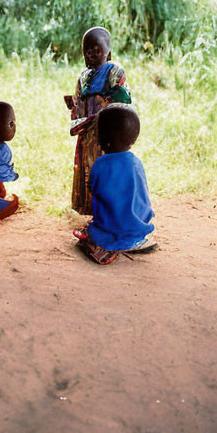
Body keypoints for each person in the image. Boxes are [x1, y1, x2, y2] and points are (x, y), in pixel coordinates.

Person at [73, 105, 157, 265]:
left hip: (112, 229)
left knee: (89, 233)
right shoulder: (136, 162)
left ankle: (105, 247)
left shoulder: (101, 164)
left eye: (99, 133)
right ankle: (137, 241)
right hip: (139, 229)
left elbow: (93, 189)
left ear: (107, 140)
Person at [66, 27, 131, 215]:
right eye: (87, 50)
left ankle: (108, 211)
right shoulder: (83, 77)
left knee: (106, 169)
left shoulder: (115, 72)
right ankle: (88, 209)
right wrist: (75, 104)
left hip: (106, 134)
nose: (91, 54)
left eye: (97, 50)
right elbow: (80, 103)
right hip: (87, 135)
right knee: (87, 168)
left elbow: (123, 97)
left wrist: (100, 102)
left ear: (108, 53)